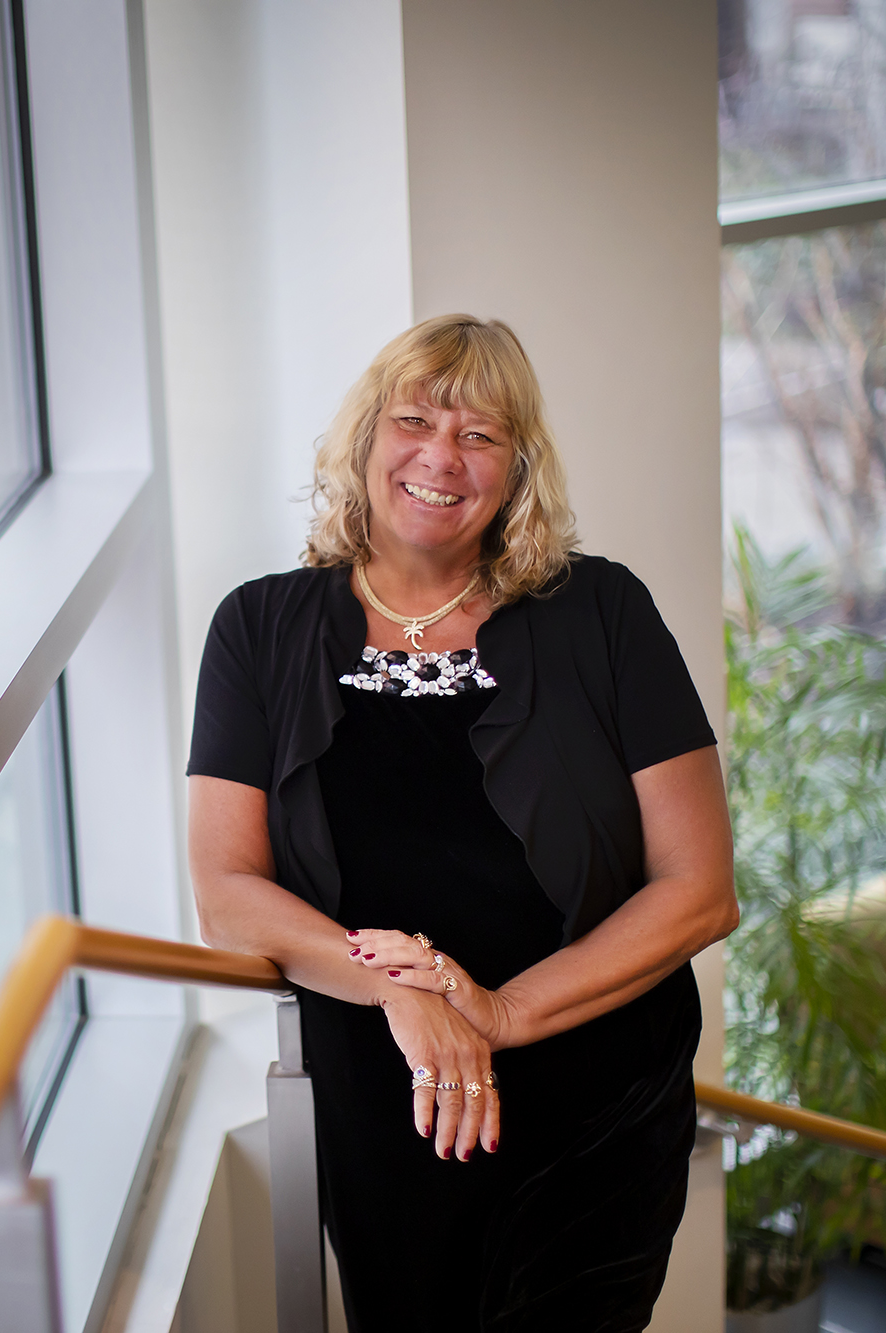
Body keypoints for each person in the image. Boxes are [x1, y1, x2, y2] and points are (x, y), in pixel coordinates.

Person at [186, 314, 739, 1332]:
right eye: (412, 421)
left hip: (594, 1102)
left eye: (479, 436)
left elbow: (699, 891)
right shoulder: (257, 629)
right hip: (388, 1104)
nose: (440, 457)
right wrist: (400, 992)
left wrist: (492, 1012)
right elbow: (225, 891)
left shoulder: (603, 611)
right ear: (363, 440)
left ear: (516, 467)